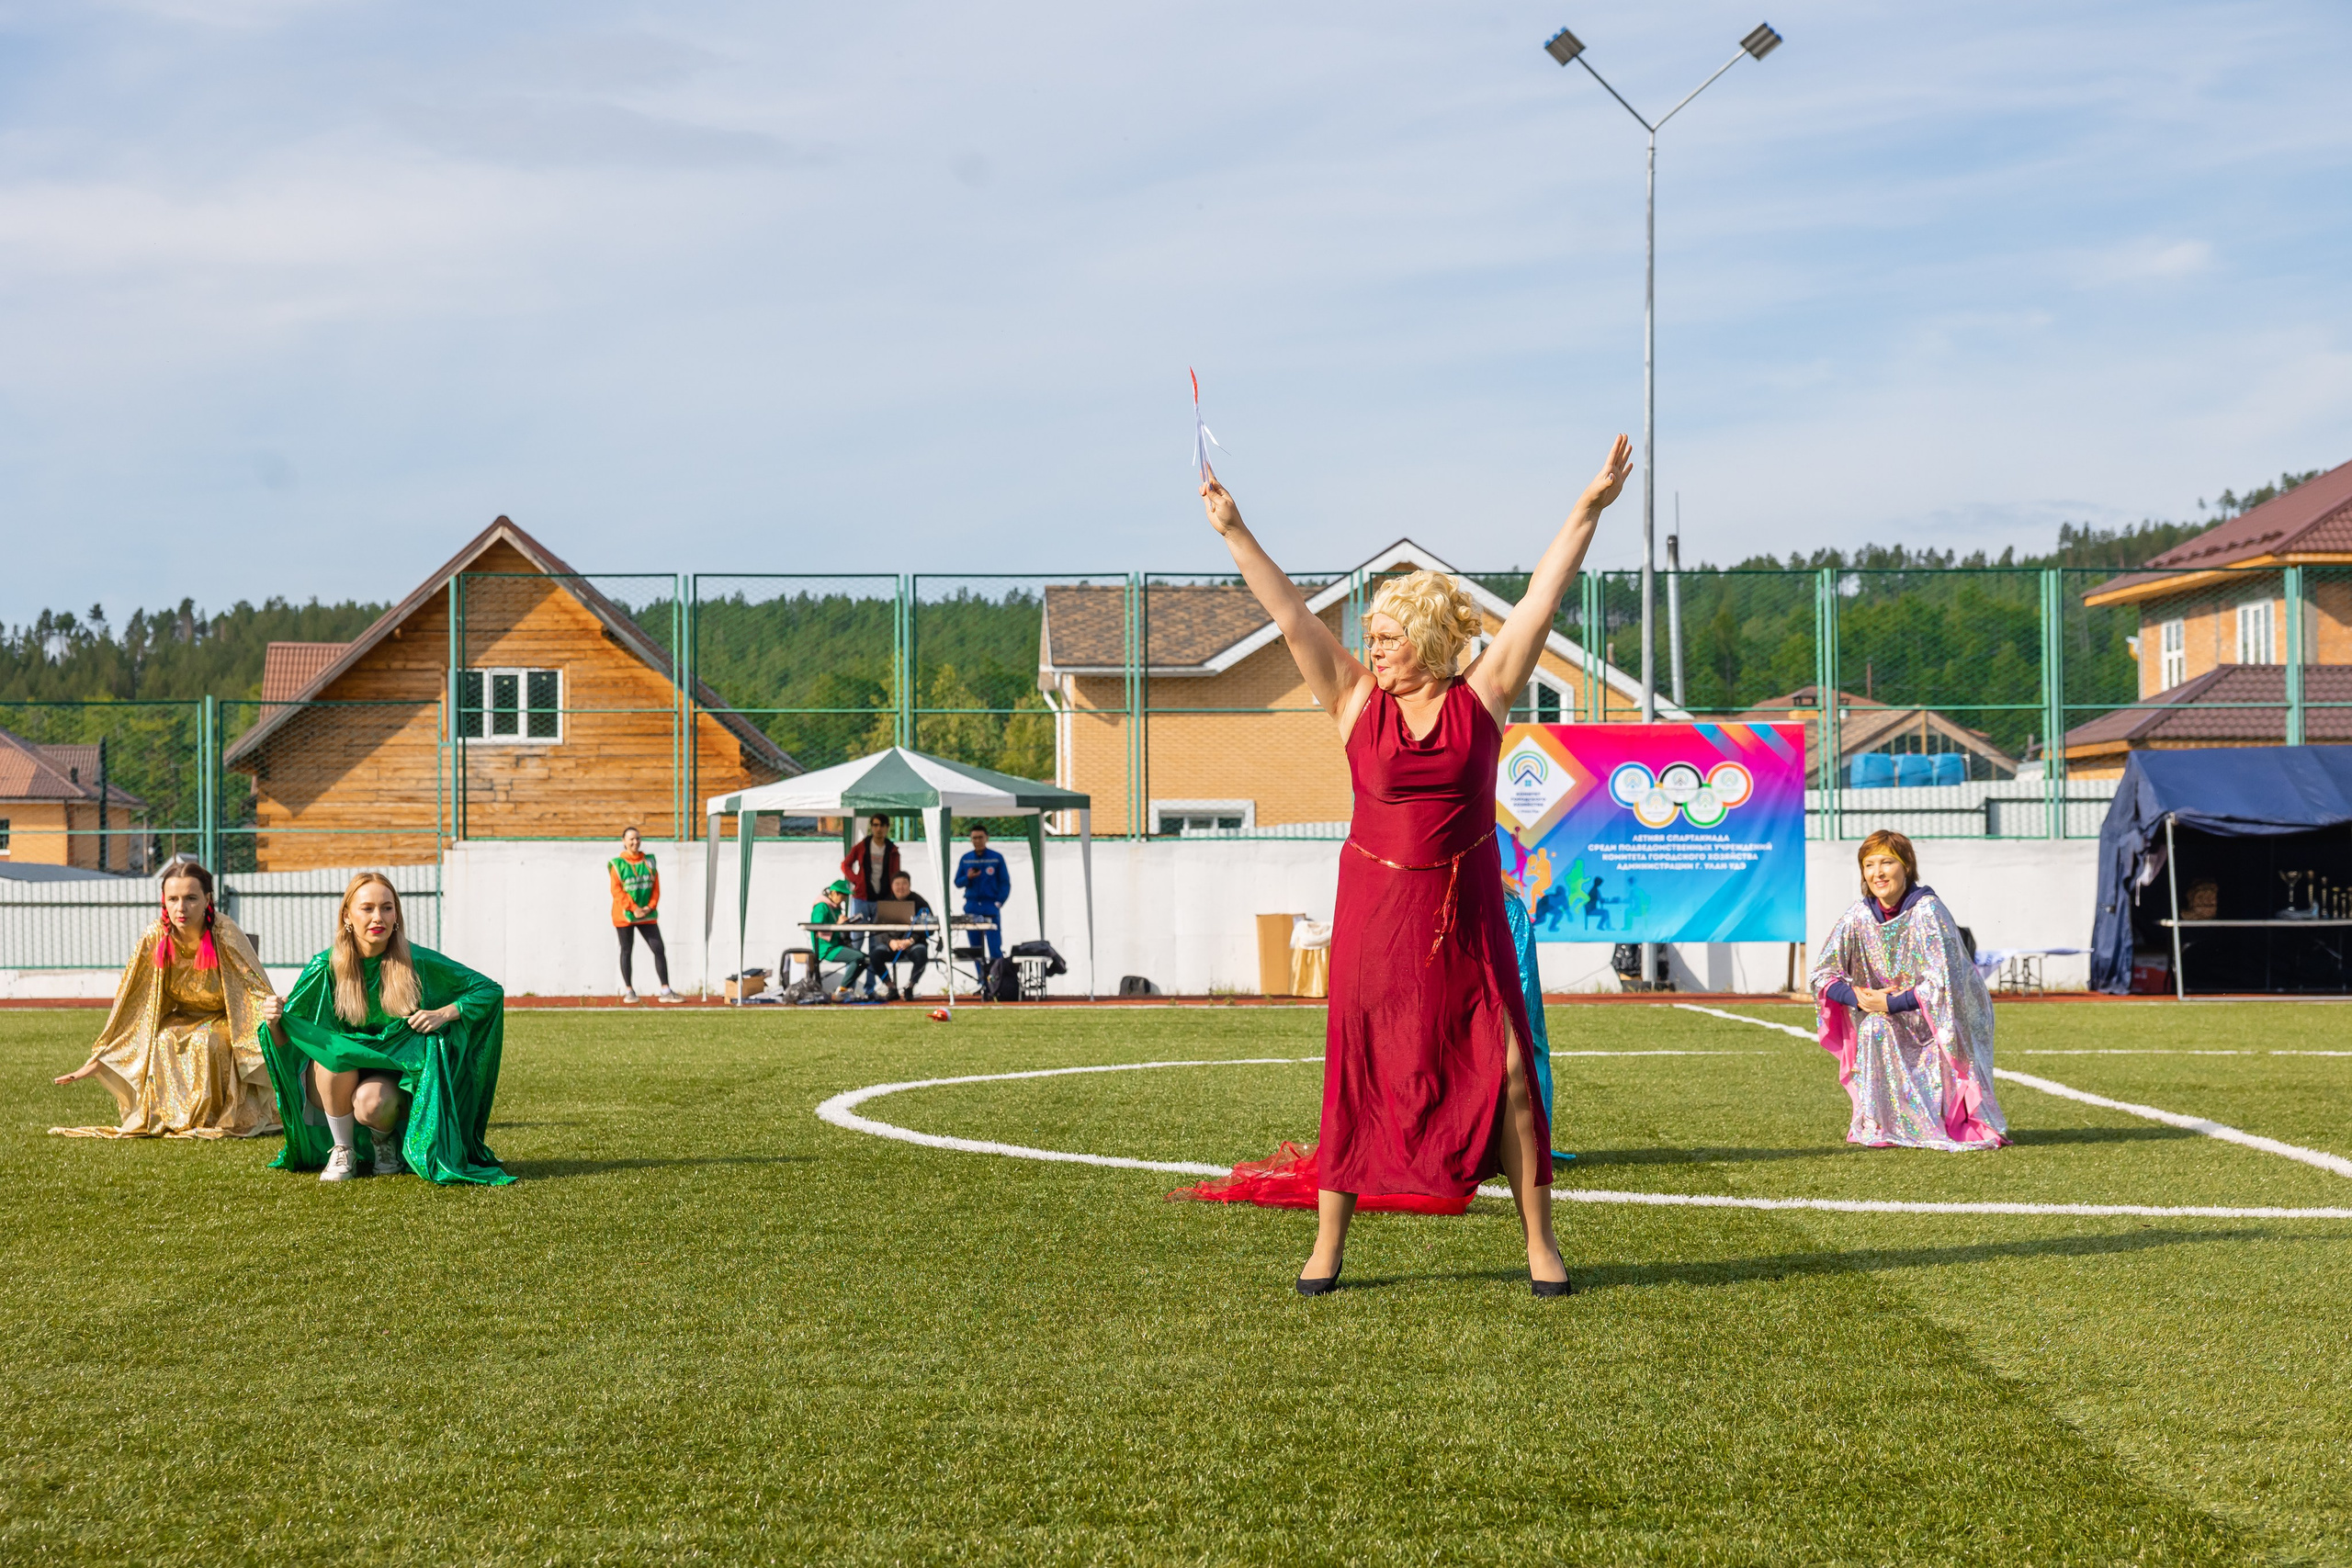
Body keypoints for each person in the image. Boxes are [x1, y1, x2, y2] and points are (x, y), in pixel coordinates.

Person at [1179, 438, 1632, 1298]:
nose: (1375, 647)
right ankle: (1329, 1244)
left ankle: (1541, 1241)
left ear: (1425, 638)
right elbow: (1291, 620)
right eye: (1372, 636)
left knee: (1506, 1070)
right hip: (1376, 912)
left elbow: (1541, 599)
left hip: (1468, 915)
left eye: (1388, 635)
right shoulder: (1352, 698)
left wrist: (1586, 511)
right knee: (1356, 1070)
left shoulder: (1485, 694)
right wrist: (1235, 530)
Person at [258, 871, 514, 1184]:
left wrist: (446, 1012)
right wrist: (273, 1020)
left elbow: (488, 991)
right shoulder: (324, 967)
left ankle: (384, 1142)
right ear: (348, 916)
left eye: (387, 907)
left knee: (373, 1103)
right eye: (367, 908)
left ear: (397, 916)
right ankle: (343, 1149)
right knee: (331, 1059)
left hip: (387, 1081)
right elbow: (288, 1038)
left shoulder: (416, 962)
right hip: (332, 1079)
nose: (378, 917)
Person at [50, 854, 282, 1140]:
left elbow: (252, 988)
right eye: (172, 899)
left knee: (207, 1040)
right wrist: (100, 1060)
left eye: (191, 898)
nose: (181, 908)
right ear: (164, 900)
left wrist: (271, 1012)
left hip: (224, 1019)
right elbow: (133, 1002)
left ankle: (211, 1118)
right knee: (163, 1039)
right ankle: (171, 1119)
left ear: (208, 899)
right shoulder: (155, 937)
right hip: (181, 1017)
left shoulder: (224, 933)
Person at [1810, 829, 2008, 1151]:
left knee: (1890, 1021)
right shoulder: (1858, 916)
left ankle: (1936, 1122)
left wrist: (1891, 1002)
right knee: (1873, 1026)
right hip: (1888, 1016)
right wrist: (1858, 998)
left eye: (1887, 862)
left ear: (1906, 866)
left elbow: (1945, 983)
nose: (1878, 872)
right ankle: (1885, 1124)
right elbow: (1822, 975)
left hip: (1939, 1022)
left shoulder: (1928, 911)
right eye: (1869, 864)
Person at [610, 826, 680, 1004]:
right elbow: (617, 891)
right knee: (626, 950)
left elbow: (656, 886)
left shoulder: (649, 862)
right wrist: (633, 908)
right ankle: (629, 990)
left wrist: (650, 906)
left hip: (647, 915)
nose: (635, 842)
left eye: (638, 839)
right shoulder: (617, 864)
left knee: (658, 948)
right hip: (625, 915)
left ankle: (666, 990)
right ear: (624, 841)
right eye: (631, 839)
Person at [841, 814, 900, 997]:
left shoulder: (892, 849)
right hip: (861, 899)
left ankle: (870, 988)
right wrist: (856, 881)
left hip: (882, 901)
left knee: (876, 947)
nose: (878, 829)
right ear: (871, 827)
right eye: (875, 825)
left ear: (887, 827)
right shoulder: (862, 846)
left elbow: (896, 874)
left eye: (882, 825)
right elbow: (846, 865)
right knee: (856, 943)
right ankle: (848, 987)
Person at [807, 878, 874, 1002]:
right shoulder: (821, 907)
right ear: (833, 893)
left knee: (865, 960)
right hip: (826, 948)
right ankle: (841, 991)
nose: (843, 900)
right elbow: (818, 929)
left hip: (837, 946)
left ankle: (845, 988)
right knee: (857, 957)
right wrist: (838, 924)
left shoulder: (836, 908)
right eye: (842, 897)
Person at [875, 869, 936, 1001]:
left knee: (921, 953)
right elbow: (877, 929)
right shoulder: (885, 902)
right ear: (892, 886)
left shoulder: (920, 902)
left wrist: (912, 940)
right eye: (897, 884)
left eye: (904, 884)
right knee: (875, 955)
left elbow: (930, 927)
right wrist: (890, 941)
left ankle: (910, 987)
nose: (900, 887)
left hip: (913, 944)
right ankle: (890, 987)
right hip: (892, 946)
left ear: (909, 885)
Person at [955, 825, 1011, 967]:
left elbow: (1005, 883)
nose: (977, 841)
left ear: (987, 838)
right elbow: (957, 882)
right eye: (974, 838)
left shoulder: (996, 858)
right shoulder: (966, 859)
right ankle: (982, 981)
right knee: (975, 949)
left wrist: (999, 902)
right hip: (972, 906)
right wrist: (968, 877)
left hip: (990, 906)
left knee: (994, 947)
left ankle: (996, 981)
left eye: (980, 837)